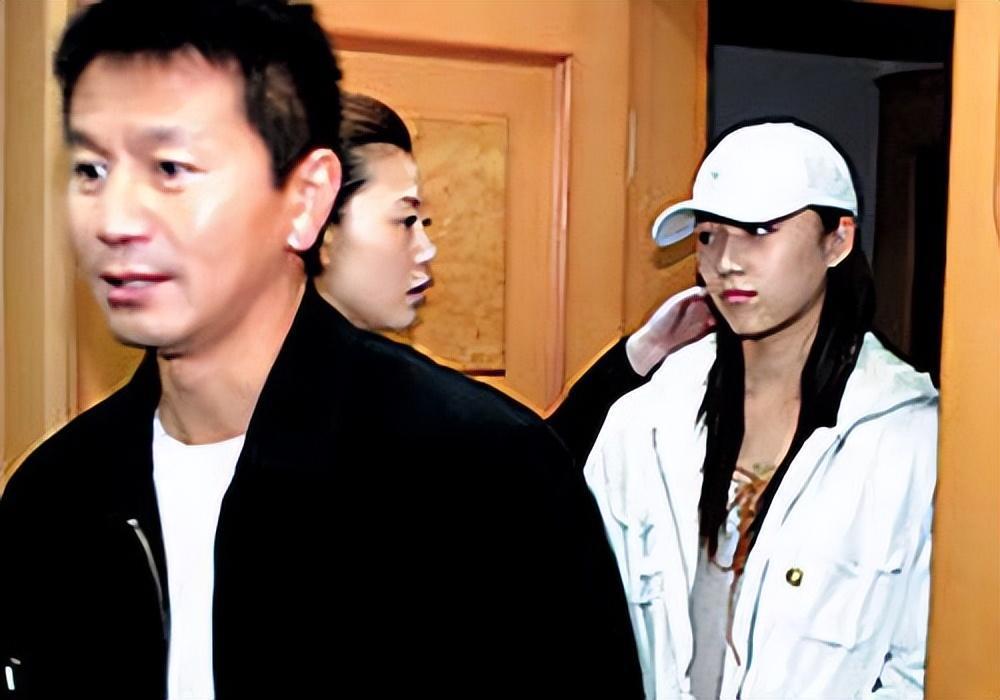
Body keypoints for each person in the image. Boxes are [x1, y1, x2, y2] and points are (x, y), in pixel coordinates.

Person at [0, 2, 643, 698]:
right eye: (93, 169)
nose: (118, 219)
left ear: (305, 202)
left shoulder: (482, 474)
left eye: (173, 168)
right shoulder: (56, 497)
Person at [584, 120, 938, 698]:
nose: (726, 261)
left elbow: (920, 672)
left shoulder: (911, 439)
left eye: (758, 230)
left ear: (838, 240)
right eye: (708, 235)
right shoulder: (644, 423)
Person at [315, 92, 715, 467]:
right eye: (404, 221)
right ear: (316, 226)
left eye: (424, 223)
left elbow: (527, 469)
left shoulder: (390, 394)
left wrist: (644, 351)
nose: (426, 249)